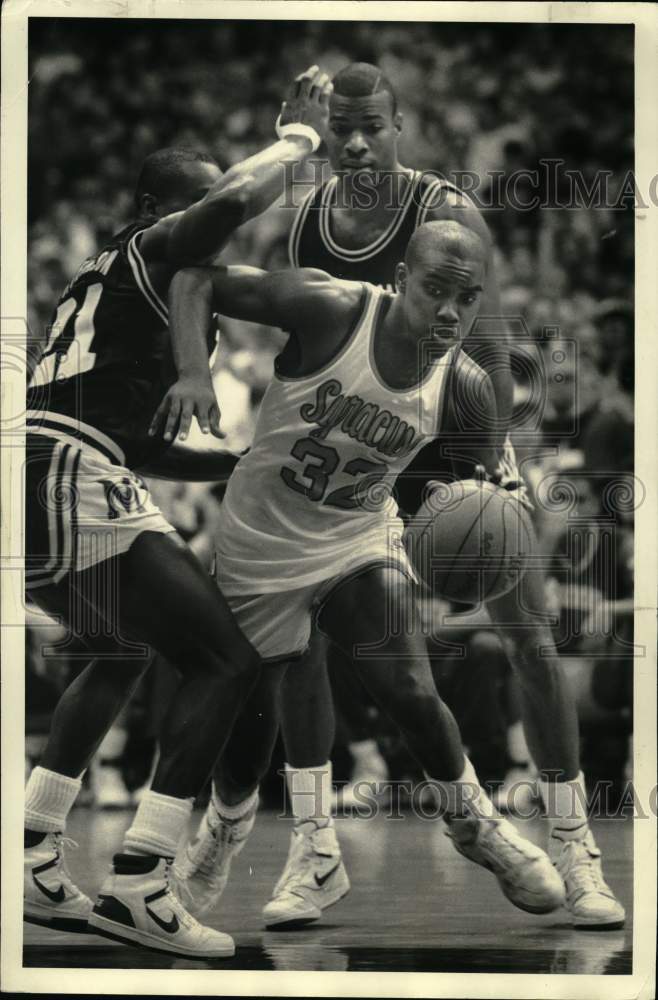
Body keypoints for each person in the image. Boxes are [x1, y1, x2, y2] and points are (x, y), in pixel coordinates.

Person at [178, 63, 624, 932]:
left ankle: (576, 848)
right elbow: (241, 285)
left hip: (455, 433)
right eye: (339, 127)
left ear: (400, 126)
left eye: (372, 126)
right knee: (300, 633)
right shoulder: (307, 219)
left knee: (527, 630)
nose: (354, 143)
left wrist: (489, 458)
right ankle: (313, 847)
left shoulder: (447, 214)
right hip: (364, 441)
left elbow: (489, 349)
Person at [164, 219, 568, 927]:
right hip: (260, 535)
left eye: (465, 299)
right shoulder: (332, 308)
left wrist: (479, 524)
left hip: (356, 531)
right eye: (434, 290)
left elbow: (460, 501)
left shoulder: (467, 388)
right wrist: (195, 370)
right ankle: (230, 827)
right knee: (247, 741)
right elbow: (196, 279)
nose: (448, 311)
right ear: (402, 280)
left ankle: (477, 826)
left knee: (409, 684)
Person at [23, 66, 332, 960]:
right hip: (64, 472)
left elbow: (145, 441)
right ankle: (144, 880)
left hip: (54, 468)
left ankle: (35, 848)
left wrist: (236, 465)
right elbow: (233, 199)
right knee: (225, 659)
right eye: (197, 206)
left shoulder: (109, 289)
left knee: (123, 650)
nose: (215, 226)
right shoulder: (151, 247)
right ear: (159, 206)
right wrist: (299, 139)